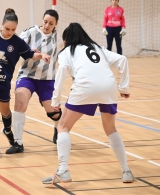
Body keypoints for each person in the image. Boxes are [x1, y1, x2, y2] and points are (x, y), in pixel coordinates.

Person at [42, 23, 134, 184]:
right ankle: (126, 170)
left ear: (67, 39)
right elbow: (123, 59)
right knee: (111, 129)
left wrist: (55, 100)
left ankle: (63, 170)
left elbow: (62, 71)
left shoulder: (67, 51)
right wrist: (124, 87)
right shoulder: (98, 48)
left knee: (63, 126)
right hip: (108, 86)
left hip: (85, 87)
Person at [0, 8, 51, 153]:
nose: (10, 32)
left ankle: (7, 130)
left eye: (13, 29)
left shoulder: (17, 42)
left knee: (5, 112)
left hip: (3, 81)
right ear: (2, 24)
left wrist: (42, 55)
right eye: (7, 28)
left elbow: (31, 54)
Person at [5, 9, 61, 154]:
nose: (47, 25)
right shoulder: (30, 32)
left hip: (47, 78)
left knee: (54, 112)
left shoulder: (56, 35)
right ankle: (17, 142)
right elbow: (15, 46)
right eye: (45, 22)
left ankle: (58, 128)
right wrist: (29, 50)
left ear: (56, 24)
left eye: (51, 23)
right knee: (20, 102)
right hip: (27, 75)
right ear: (42, 20)